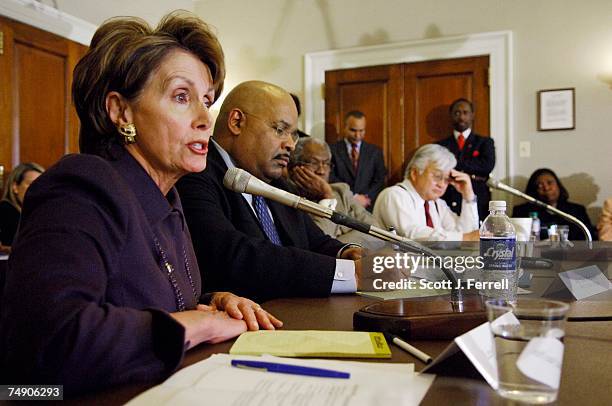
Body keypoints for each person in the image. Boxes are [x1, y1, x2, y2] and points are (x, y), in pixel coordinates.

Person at [0, 12, 281, 394]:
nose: (204, 119)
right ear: (121, 111)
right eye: (182, 97)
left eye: (207, 100)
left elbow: (143, 294)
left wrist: (216, 301)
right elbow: (49, 340)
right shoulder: (81, 187)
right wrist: (197, 325)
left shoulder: (168, 198)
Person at [176, 81, 364, 302]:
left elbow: (315, 241)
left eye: (293, 134)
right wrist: (347, 273)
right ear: (237, 122)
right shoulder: (196, 176)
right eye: (280, 130)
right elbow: (235, 257)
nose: (291, 145)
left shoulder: (277, 184)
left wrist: (348, 252)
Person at [373, 144, 480, 241]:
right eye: (437, 176)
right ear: (415, 173)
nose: (442, 185)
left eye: (447, 179)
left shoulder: (437, 204)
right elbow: (412, 235)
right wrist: (464, 238)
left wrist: (468, 196)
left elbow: (467, 236)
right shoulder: (394, 196)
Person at [288, 137, 380, 245]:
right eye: (313, 163)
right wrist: (327, 198)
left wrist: (337, 245)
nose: (321, 170)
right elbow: (317, 247)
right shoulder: (288, 199)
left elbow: (376, 233)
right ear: (294, 166)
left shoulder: (341, 191)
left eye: (326, 163)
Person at [438, 98, 495, 220]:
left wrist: (454, 163)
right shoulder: (441, 145)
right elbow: (440, 167)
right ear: (451, 115)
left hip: (477, 195)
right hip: (449, 196)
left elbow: (487, 166)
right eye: (457, 113)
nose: (461, 117)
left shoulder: (485, 142)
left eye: (465, 112)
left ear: (472, 115)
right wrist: (471, 166)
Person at [513, 168, 597, 240]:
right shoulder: (522, 212)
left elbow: (590, 239)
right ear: (534, 190)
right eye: (540, 185)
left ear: (558, 185)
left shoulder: (577, 210)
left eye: (549, 183)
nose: (546, 188)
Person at [329, 110, 386, 210]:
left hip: (368, 207)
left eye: (361, 131)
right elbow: (331, 177)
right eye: (353, 130)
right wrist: (353, 196)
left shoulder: (375, 152)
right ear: (345, 128)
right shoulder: (332, 150)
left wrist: (367, 198)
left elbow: (380, 180)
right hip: (342, 204)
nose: (357, 135)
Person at [0, 162, 44, 248]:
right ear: (15, 187)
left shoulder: (37, 212)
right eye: (32, 184)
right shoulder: (5, 211)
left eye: (42, 184)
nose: (38, 189)